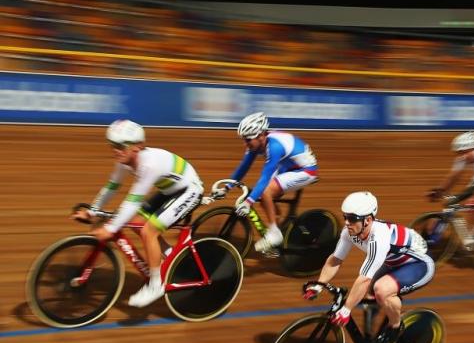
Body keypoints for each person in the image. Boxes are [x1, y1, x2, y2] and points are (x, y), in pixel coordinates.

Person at [71, 119, 204, 307]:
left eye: (120, 146)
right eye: (113, 145)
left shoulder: (149, 164)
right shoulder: (124, 161)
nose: (116, 150)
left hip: (190, 190)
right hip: (170, 191)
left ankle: (156, 285)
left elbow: (133, 201)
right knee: (136, 222)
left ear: (137, 147)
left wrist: (110, 228)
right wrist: (92, 212)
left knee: (149, 231)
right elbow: (111, 188)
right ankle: (171, 254)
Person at [304, 191, 434, 343]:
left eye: (352, 219)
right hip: (393, 262)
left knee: (381, 290)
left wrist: (346, 310)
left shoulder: (379, 238)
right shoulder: (349, 232)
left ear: (368, 220)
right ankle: (373, 327)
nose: (346, 223)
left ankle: (396, 327)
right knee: (370, 293)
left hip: (419, 264)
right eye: (345, 217)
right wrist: (319, 285)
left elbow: (365, 278)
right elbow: (335, 259)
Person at [212, 112, 319, 254]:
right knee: (264, 200)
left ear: (261, 136)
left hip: (306, 170)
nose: (245, 143)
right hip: (288, 165)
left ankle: (275, 234)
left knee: (266, 191)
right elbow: (243, 167)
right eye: (244, 139)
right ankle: (277, 225)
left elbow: (265, 178)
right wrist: (227, 187)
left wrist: (248, 202)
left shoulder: (274, 147)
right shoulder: (256, 144)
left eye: (248, 140)